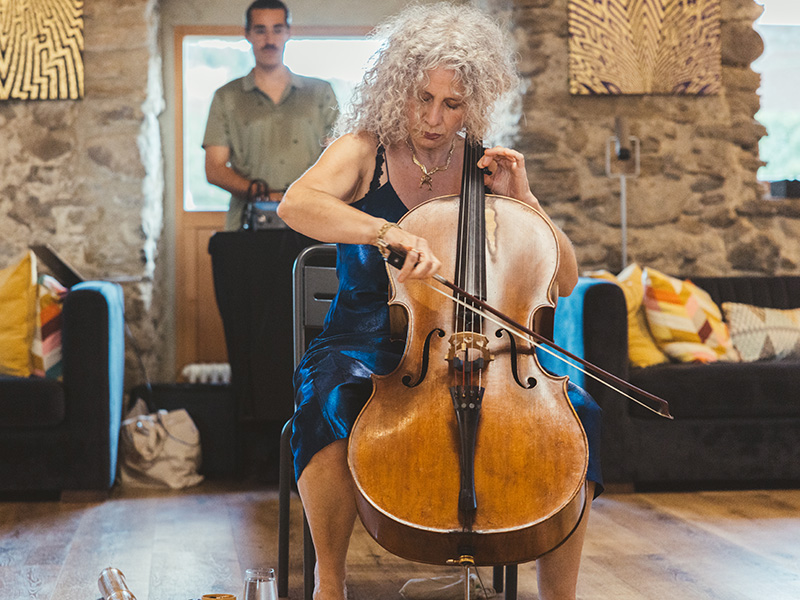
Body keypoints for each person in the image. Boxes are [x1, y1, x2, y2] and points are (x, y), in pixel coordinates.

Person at [278, 4, 602, 599]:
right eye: (422, 98)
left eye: (452, 105)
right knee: (331, 398)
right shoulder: (365, 150)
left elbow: (563, 281)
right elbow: (296, 204)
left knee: (580, 413)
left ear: (472, 103)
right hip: (362, 339)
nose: (434, 118)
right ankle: (330, 583)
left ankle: (560, 594)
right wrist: (384, 232)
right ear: (397, 87)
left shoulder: (485, 166)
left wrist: (525, 201)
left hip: (471, 346)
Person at [203, 0, 339, 231]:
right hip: (247, 226)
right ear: (247, 34)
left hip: (312, 221)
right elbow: (214, 169)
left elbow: (338, 157)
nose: (269, 40)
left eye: (277, 29)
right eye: (260, 30)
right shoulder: (226, 96)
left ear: (288, 33)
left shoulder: (320, 92)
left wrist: (303, 195)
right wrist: (262, 194)